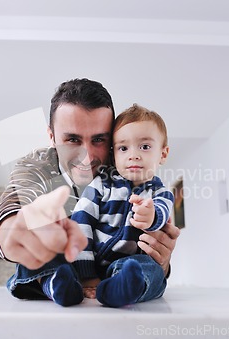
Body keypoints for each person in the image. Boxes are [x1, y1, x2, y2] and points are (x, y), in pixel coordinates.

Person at [0, 79, 180, 305]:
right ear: (52, 137)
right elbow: (9, 212)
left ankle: (121, 286)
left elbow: (155, 212)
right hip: (61, 264)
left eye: (99, 139)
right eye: (72, 140)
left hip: (113, 270)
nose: (87, 156)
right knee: (41, 259)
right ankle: (57, 283)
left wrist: (160, 258)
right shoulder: (36, 167)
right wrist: (11, 231)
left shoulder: (124, 163)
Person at [68, 104, 174, 308]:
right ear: (113, 154)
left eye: (144, 146)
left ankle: (122, 289)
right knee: (63, 260)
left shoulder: (159, 193)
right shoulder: (100, 185)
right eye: (123, 148)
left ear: (163, 154)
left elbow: (162, 210)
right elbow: (81, 222)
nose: (133, 155)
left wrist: (151, 216)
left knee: (151, 271)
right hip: (93, 264)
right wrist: (86, 274)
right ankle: (63, 283)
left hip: (129, 264)